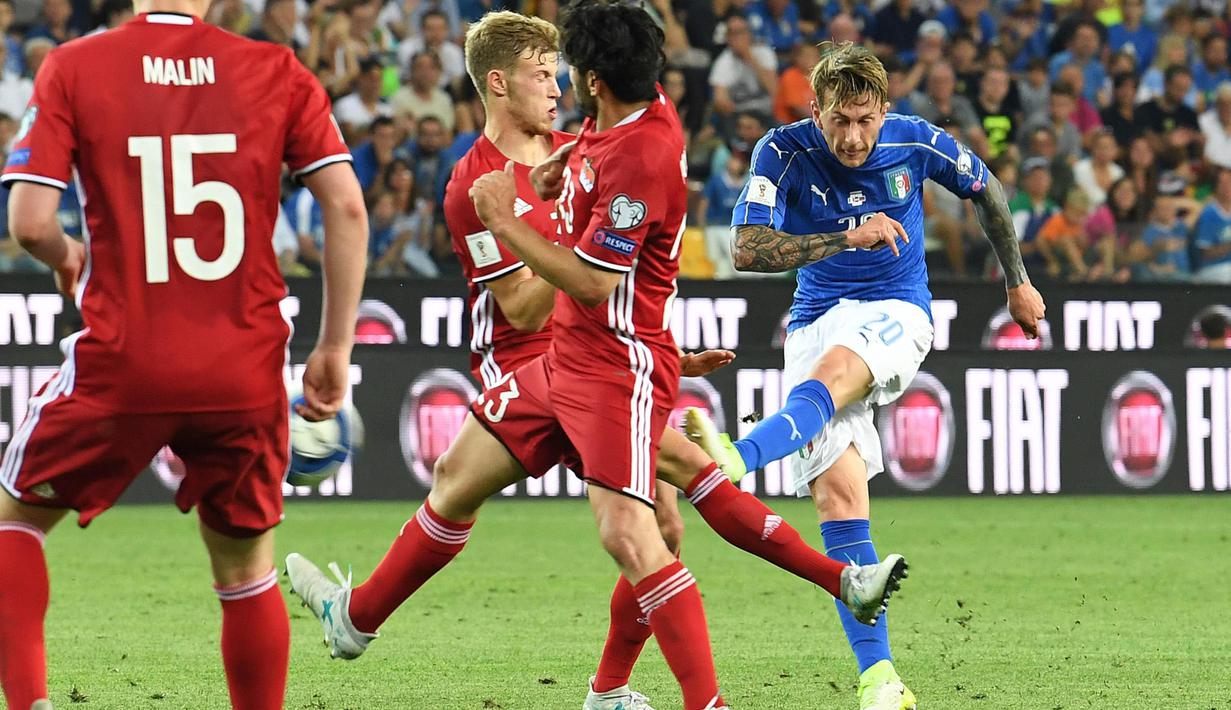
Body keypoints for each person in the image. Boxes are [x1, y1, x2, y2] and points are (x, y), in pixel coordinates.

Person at [286, 8, 908, 710]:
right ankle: (826, 590)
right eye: (540, 75)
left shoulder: (598, 149)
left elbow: (606, 271)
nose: (556, 88)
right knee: (493, 492)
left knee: (653, 524)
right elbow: (524, 310)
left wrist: (640, 335)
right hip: (528, 361)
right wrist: (621, 315)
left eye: (561, 74)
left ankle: (607, 686)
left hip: (594, 357)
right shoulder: (478, 181)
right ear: (498, 84)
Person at [0, 1, 369, 708]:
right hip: (243, 370)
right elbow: (347, 207)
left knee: (14, 520)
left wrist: (66, 254)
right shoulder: (275, 69)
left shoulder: (75, 65)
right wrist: (334, 344)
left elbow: (30, 221)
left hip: (124, 360)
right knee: (246, 573)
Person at [686, 41, 1045, 710]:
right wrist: (846, 237)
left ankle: (738, 457)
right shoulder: (781, 151)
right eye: (838, 121)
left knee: (835, 372)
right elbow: (747, 250)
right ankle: (880, 679)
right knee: (838, 503)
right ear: (815, 111)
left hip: (896, 309)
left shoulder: (916, 140)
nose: (852, 138)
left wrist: (1016, 282)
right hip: (813, 316)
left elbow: (987, 191)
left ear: (883, 110)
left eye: (864, 120)